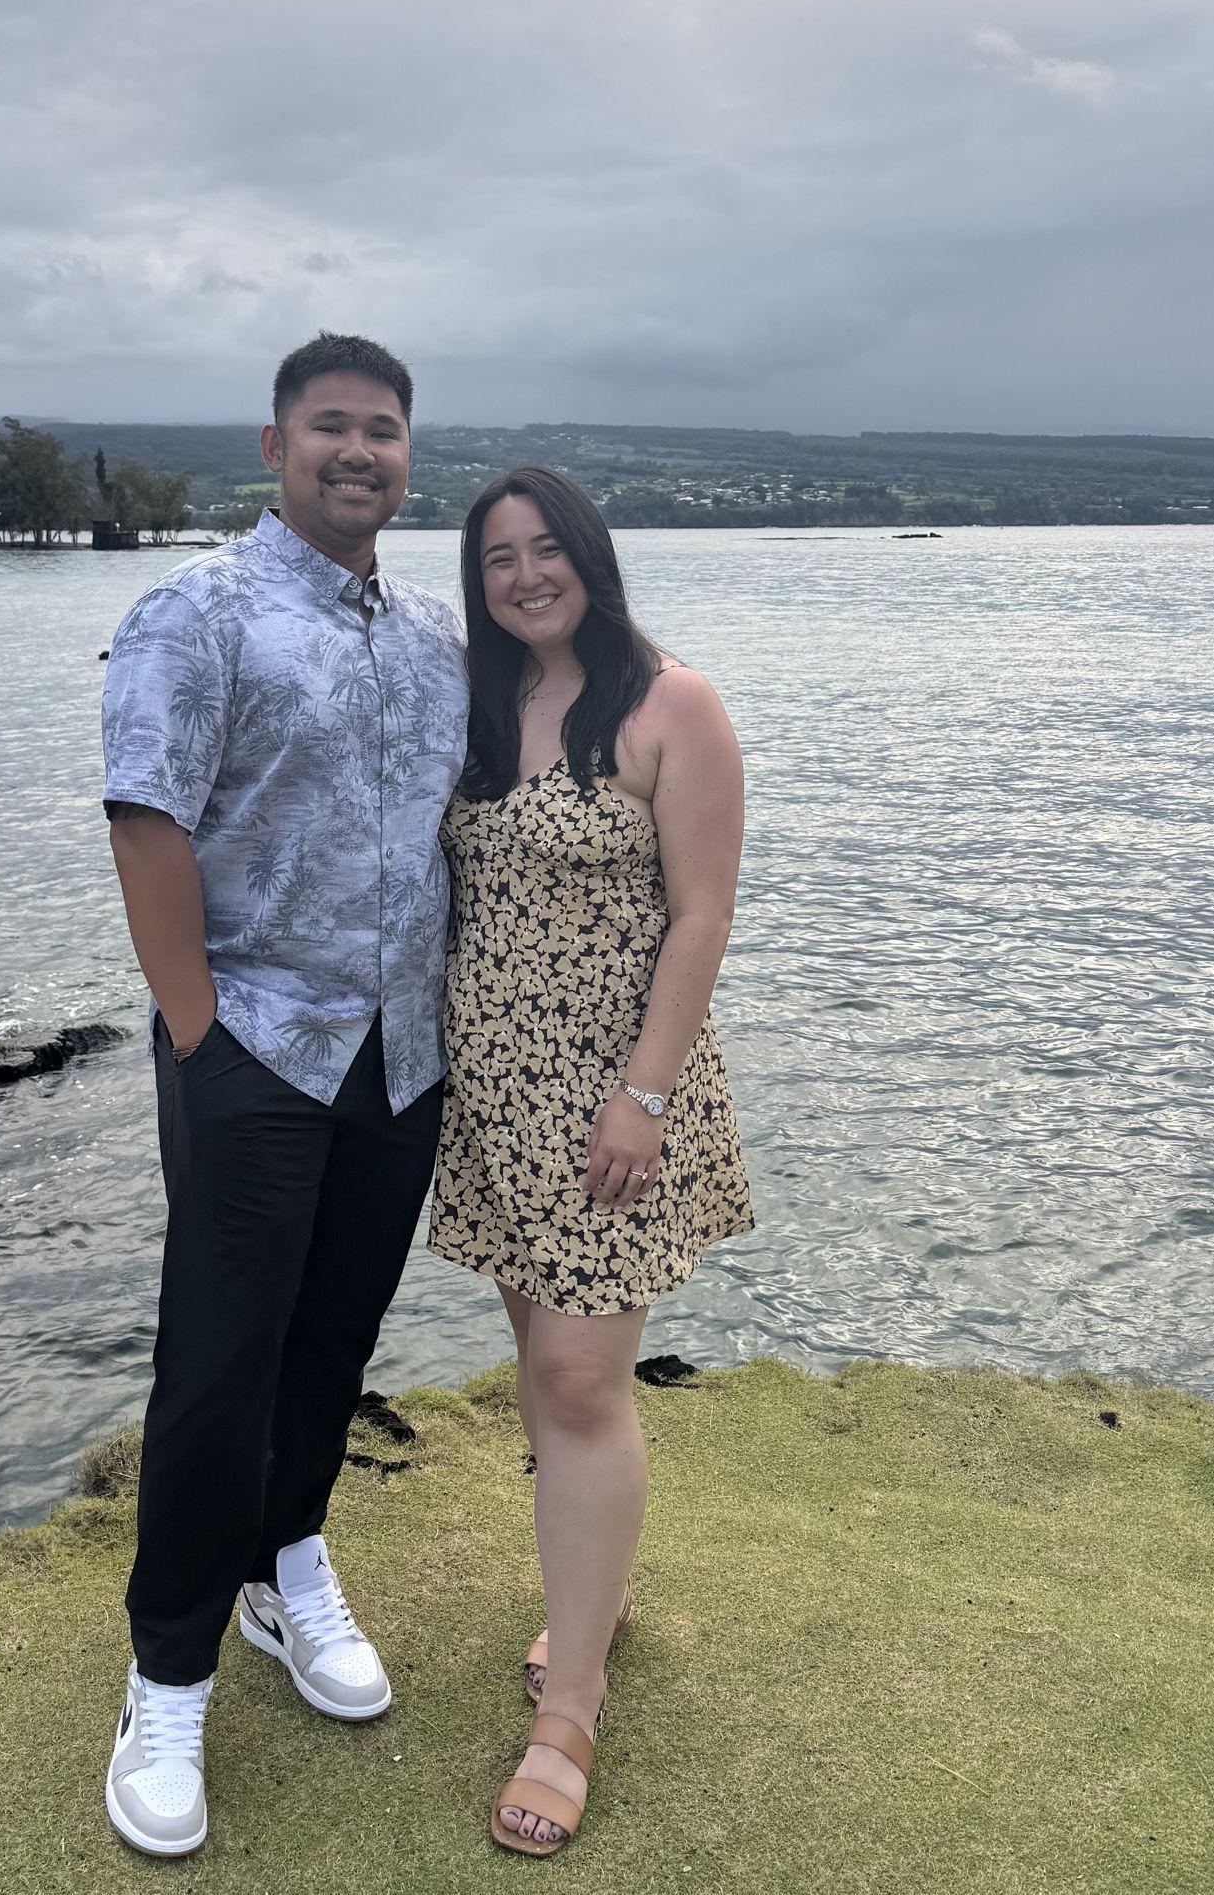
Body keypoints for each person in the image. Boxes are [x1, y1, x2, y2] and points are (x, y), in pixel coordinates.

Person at [97, 331, 467, 1858]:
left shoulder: (438, 636)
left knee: (331, 1339)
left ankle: (284, 1563)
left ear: (406, 455)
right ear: (275, 446)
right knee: (218, 1361)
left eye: (383, 429)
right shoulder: (200, 613)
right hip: (252, 1041)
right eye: (330, 426)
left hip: (402, 1051)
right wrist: (200, 1038)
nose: (358, 451)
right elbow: (146, 820)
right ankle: (167, 1675)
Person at [428, 466, 753, 1857]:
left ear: (591, 557)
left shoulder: (673, 705)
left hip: (616, 1101)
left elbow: (702, 917)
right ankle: (591, 1599)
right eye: (497, 557)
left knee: (577, 1379)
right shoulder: (473, 701)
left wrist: (643, 1096)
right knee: (544, 1363)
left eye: (545, 548)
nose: (524, 576)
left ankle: (571, 1707)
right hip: (492, 1091)